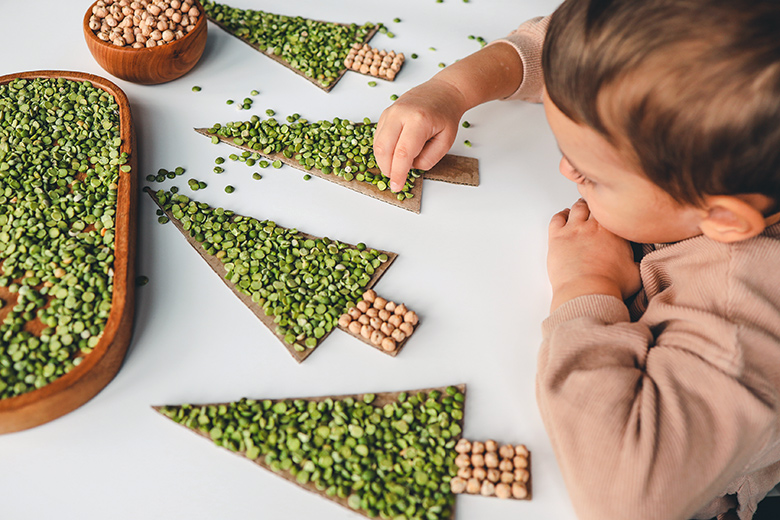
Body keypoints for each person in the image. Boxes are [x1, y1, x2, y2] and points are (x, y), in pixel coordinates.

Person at [373, 1, 780, 519]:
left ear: (722, 218)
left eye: (592, 174)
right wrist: (452, 90)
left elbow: (625, 497)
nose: (566, 170)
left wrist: (587, 285)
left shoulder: (740, 311)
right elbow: (556, 46)